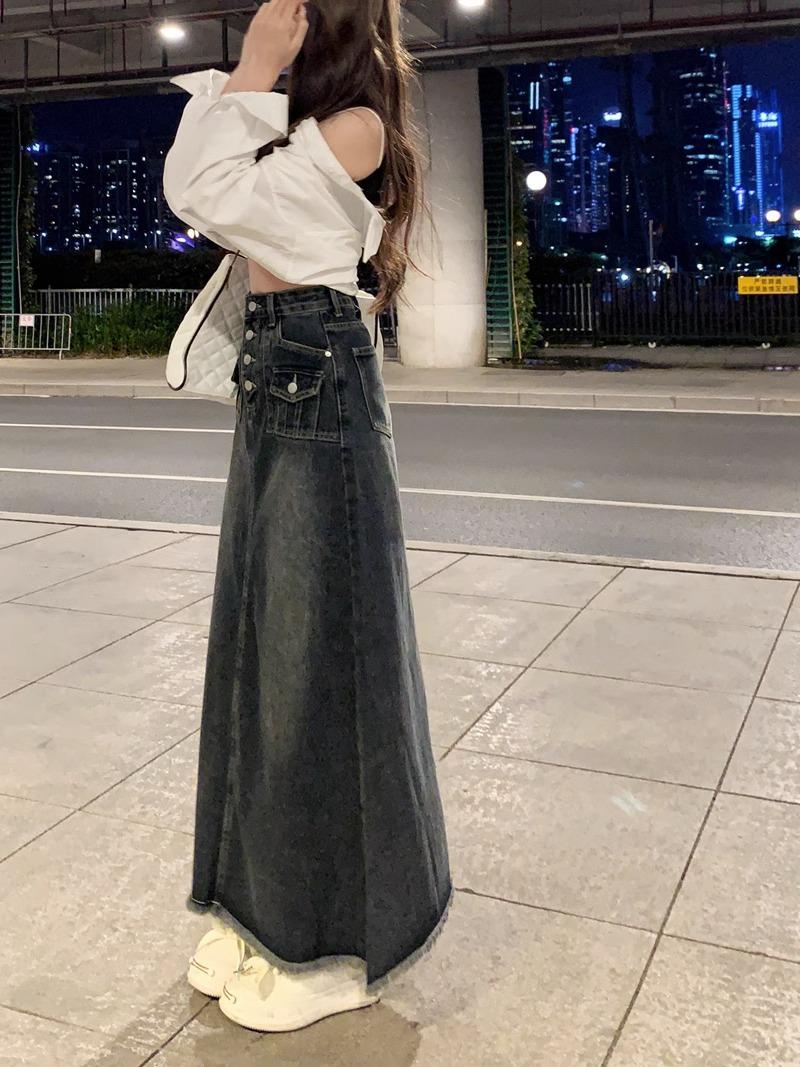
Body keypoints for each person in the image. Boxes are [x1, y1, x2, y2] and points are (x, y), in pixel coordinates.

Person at [162, 0, 452, 1034]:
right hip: (281, 369)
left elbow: (198, 191)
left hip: (316, 373)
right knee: (256, 658)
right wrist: (252, 82)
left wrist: (251, 68)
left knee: (318, 668)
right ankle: (257, 913)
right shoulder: (307, 132)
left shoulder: (357, 128)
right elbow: (209, 189)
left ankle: (339, 945)